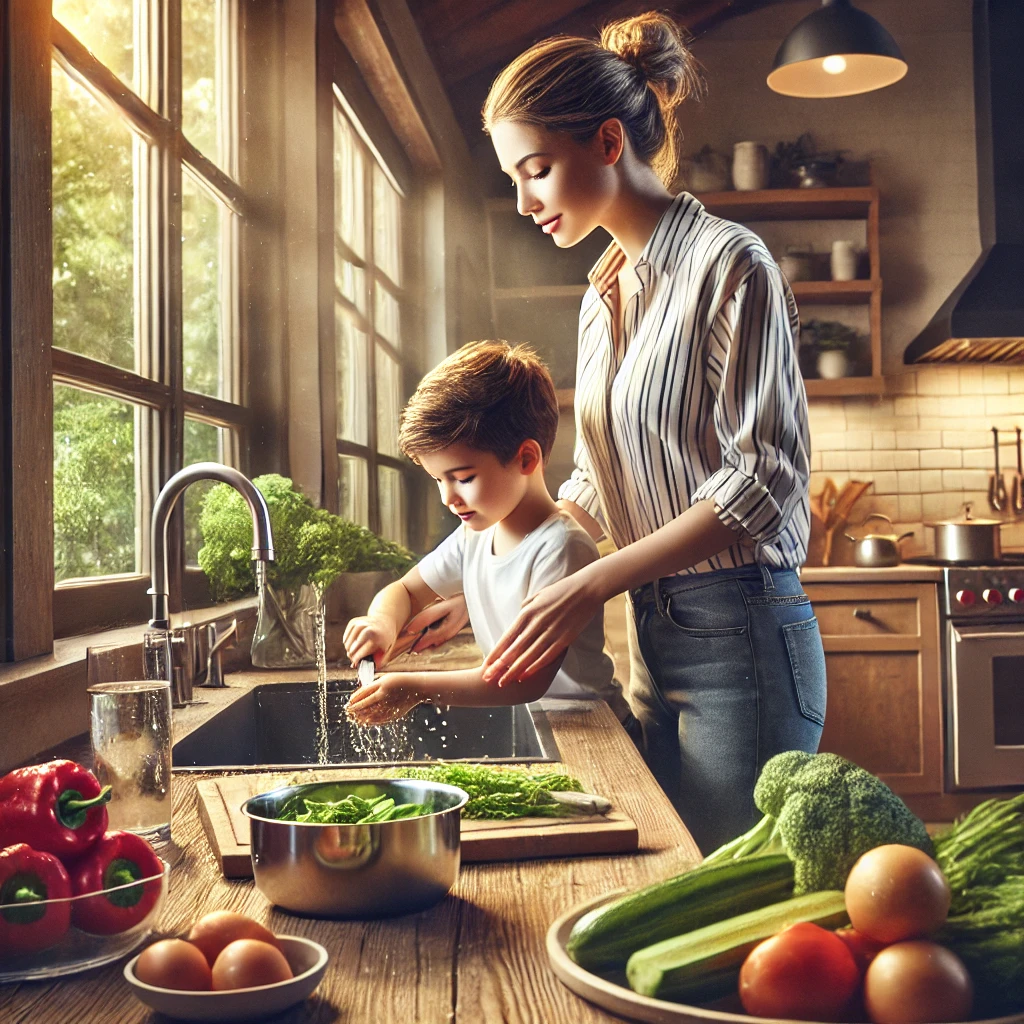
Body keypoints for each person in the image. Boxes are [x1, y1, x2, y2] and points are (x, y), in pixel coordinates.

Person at [452, 11, 824, 855]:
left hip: (745, 637)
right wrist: (463, 582)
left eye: (536, 170)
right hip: (655, 632)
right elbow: (595, 484)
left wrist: (592, 585)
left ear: (609, 140)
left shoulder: (732, 264)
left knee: (721, 898)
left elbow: (762, 483)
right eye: (514, 177)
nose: (522, 202)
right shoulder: (603, 292)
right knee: (674, 879)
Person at [343, 340, 630, 726]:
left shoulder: (562, 547)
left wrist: (418, 687)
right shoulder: (475, 534)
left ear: (526, 458)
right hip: (534, 720)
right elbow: (407, 591)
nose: (448, 497)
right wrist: (382, 623)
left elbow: (522, 681)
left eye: (462, 478)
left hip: (590, 724)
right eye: (437, 480)